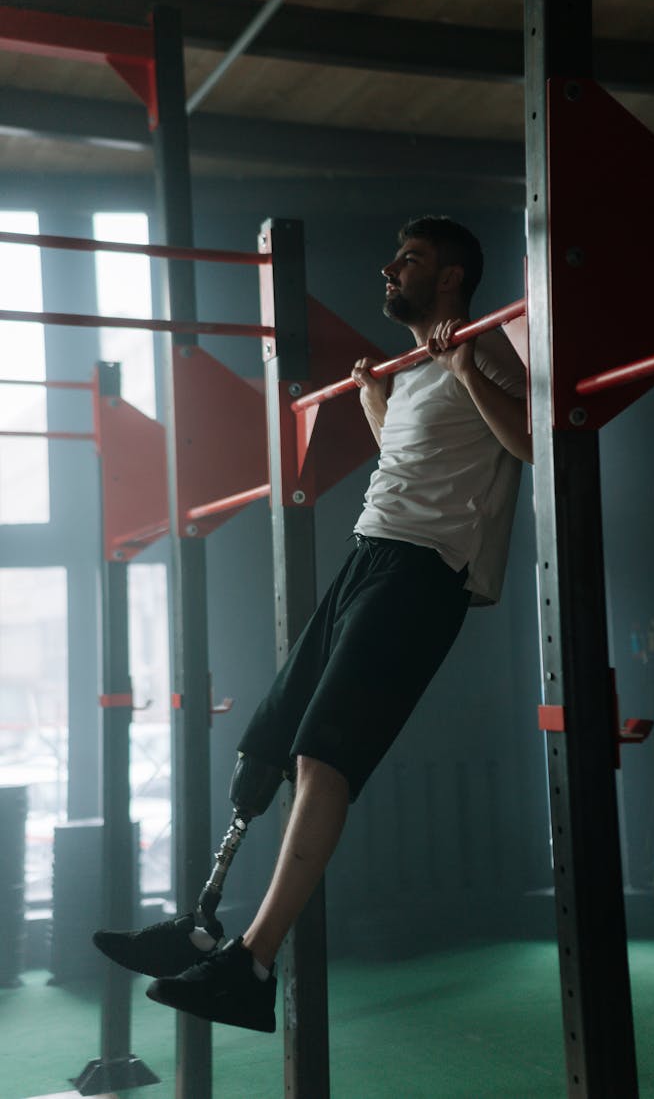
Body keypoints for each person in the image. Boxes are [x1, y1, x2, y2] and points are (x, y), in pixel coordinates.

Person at [94, 216, 531, 1033]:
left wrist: (470, 369)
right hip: (369, 558)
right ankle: (201, 917)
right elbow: (417, 464)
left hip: (424, 573)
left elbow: (537, 440)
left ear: (451, 279)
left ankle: (252, 962)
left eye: (410, 261)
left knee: (322, 754)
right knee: (268, 744)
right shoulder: (415, 370)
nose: (388, 268)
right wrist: (376, 403)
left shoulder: (487, 347)